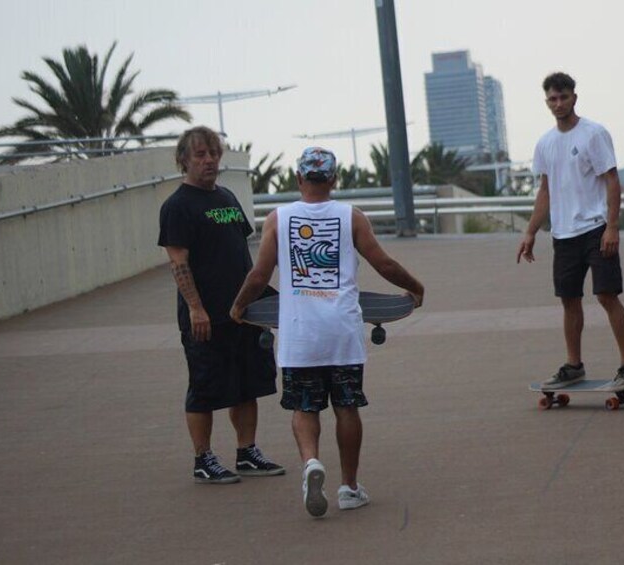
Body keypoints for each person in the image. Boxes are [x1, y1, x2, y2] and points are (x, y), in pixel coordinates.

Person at [230, 147, 424, 517]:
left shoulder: (278, 218)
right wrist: (416, 288)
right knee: (346, 406)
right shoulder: (351, 217)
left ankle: (310, 464)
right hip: (342, 331)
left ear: (298, 179)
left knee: (305, 407)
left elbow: (259, 276)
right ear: (334, 180)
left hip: (300, 334)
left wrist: (239, 306)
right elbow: (383, 263)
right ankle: (349, 488)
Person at [158, 126, 284, 484]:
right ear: (184, 160)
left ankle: (247, 452)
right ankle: (203, 459)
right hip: (207, 316)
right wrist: (196, 308)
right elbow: (178, 262)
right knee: (205, 387)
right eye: (200, 154)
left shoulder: (227, 198)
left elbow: (240, 255)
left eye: (213, 153)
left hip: (242, 311)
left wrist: (257, 300)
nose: (209, 160)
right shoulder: (177, 206)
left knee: (247, 385)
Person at [516, 72, 624, 390]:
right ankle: (574, 366)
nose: (559, 104)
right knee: (569, 299)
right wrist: (531, 231)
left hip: (596, 228)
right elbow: (545, 190)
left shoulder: (593, 134)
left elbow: (612, 180)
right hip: (563, 233)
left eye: (564, 97)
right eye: (552, 99)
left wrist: (612, 227)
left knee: (606, 295)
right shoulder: (545, 143)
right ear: (546, 102)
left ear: (574, 97)